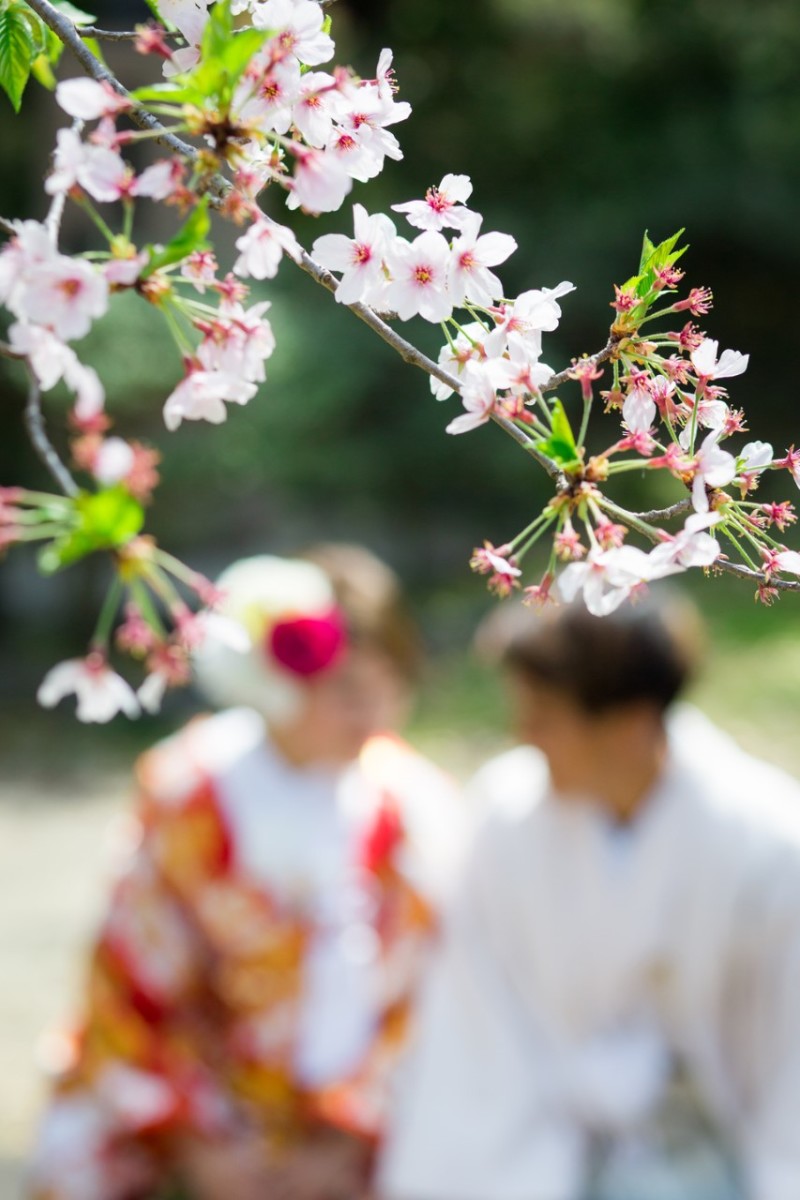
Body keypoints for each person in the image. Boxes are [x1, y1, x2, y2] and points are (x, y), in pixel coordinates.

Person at [28, 545, 463, 1200]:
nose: (372, 711)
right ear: (278, 676)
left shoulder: (413, 807)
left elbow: (429, 996)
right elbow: (129, 978)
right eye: (347, 690)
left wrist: (344, 1141)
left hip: (358, 1125)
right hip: (210, 1109)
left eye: (390, 684)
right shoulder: (191, 791)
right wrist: (201, 1149)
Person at [379, 592, 800, 1200]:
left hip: (721, 1149)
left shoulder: (767, 844)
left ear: (630, 726)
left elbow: (789, 1068)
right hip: (547, 1142)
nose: (521, 734)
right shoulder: (507, 818)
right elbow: (476, 1024)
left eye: (543, 715)